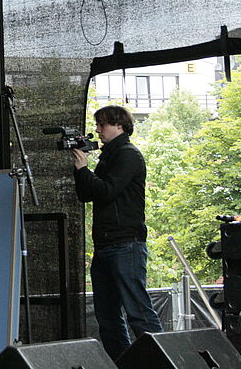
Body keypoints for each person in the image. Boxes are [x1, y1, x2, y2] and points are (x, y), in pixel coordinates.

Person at [72, 105, 163, 359]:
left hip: (125, 244)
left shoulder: (128, 155)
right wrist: (80, 169)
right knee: (107, 317)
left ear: (120, 126)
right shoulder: (108, 157)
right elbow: (86, 194)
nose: (98, 130)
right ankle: (123, 362)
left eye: (103, 124)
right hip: (105, 245)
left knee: (138, 312)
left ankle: (161, 362)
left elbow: (107, 191)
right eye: (97, 124)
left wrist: (84, 170)